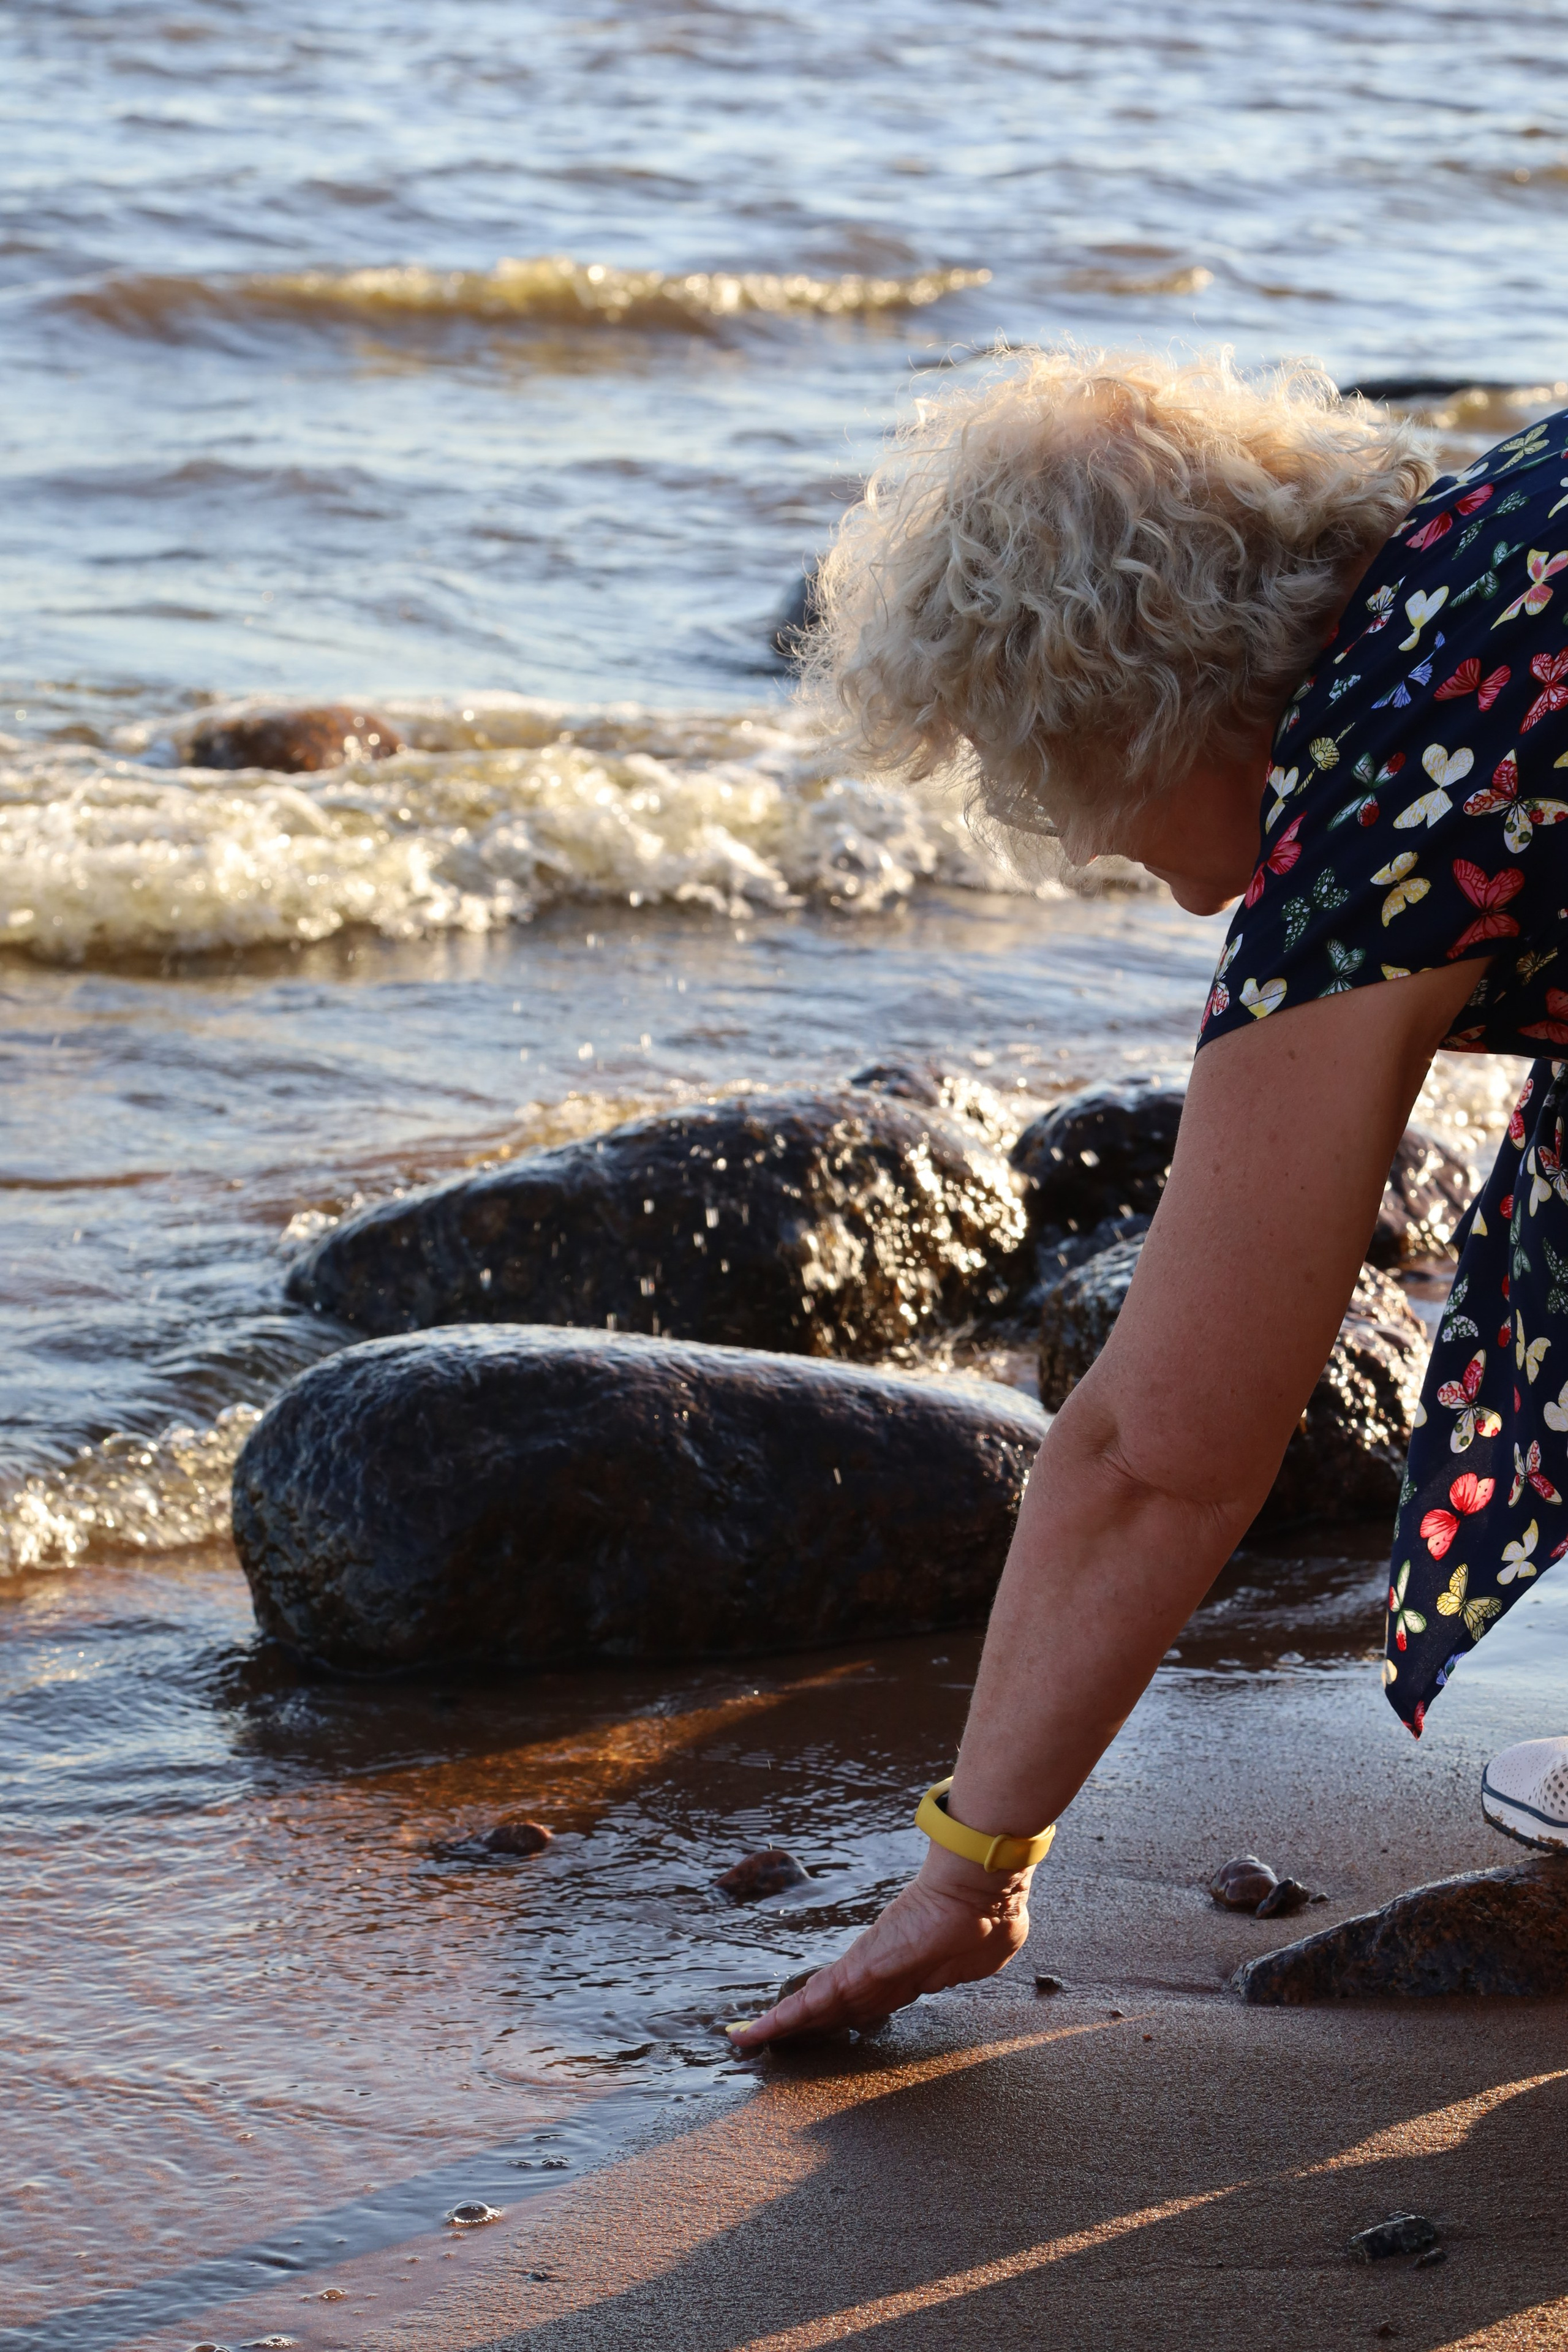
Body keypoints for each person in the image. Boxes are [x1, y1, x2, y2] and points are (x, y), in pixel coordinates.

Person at [728, 352, 1568, 2052]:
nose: (1095, 853)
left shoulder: (1373, 823)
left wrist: (972, 1869)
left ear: (1127, 709)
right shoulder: (1502, 530)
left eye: (1055, 790)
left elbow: (1158, 1453)